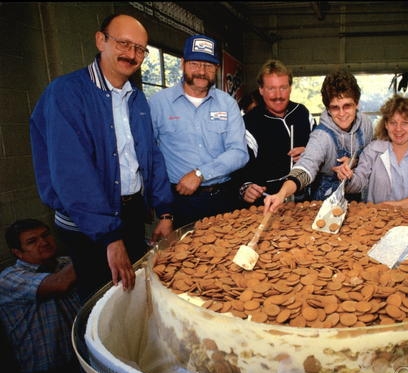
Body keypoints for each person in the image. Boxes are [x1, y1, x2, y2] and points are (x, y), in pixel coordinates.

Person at [29, 14, 174, 303]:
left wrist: (165, 211)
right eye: (123, 43)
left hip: (130, 215)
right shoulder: (66, 93)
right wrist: (109, 237)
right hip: (88, 225)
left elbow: (150, 156)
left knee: (133, 295)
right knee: (102, 302)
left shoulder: (136, 98)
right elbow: (72, 172)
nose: (131, 54)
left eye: (140, 49)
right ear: (100, 40)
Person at [149, 34, 248, 228]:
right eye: (195, 64)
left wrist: (200, 173)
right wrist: (164, 213)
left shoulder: (227, 104)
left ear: (217, 69)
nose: (202, 71)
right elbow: (151, 159)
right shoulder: (158, 103)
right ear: (182, 63)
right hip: (179, 203)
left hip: (223, 198)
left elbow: (240, 153)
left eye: (209, 66)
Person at [264, 69, 373, 212]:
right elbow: (305, 167)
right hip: (325, 203)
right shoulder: (321, 136)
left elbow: (371, 157)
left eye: (347, 106)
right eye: (335, 108)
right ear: (327, 109)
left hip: (358, 200)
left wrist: (355, 162)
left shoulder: (366, 124)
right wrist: (282, 193)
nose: (341, 114)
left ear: (357, 104)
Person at [0, 219, 81, 373]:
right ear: (17, 253)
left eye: (45, 235)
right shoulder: (9, 279)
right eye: (32, 241)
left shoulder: (65, 264)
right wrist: (97, 244)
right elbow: (59, 284)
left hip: (78, 363)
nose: (43, 242)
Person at [235, 59, 315, 207]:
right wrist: (245, 187)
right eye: (271, 88)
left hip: (304, 202)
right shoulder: (249, 122)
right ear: (261, 89)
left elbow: (321, 149)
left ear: (290, 87)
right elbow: (239, 167)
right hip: (266, 203)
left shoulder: (302, 113)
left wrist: (309, 152)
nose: (278, 95)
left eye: (283, 87)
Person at [337, 94, 408, 205]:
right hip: (377, 219)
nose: (398, 129)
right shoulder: (372, 150)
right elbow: (358, 183)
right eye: (393, 123)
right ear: (386, 125)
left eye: (405, 123)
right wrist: (348, 177)